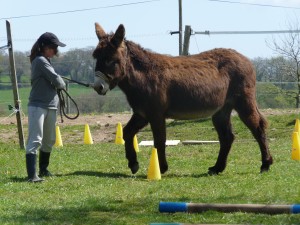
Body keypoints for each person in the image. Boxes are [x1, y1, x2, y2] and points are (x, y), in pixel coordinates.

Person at [26, 32, 66, 182]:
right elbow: (58, 82)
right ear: (44, 47)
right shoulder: (40, 60)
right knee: (35, 139)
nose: (55, 51)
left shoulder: (47, 61)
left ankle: (43, 169)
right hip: (38, 105)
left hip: (51, 105)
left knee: (49, 139)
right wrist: (60, 82)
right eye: (53, 47)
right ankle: (32, 175)